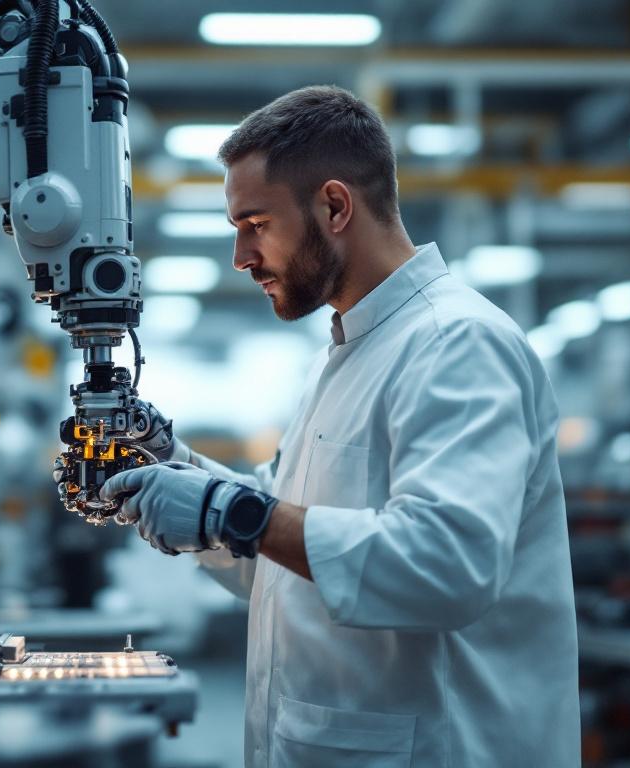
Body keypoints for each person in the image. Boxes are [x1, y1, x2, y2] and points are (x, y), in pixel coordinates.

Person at [103, 86, 580, 767]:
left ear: (333, 206)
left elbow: (448, 563)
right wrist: (179, 466)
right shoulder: (349, 351)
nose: (241, 256)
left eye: (255, 223)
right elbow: (284, 547)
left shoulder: (457, 343)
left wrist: (230, 512)